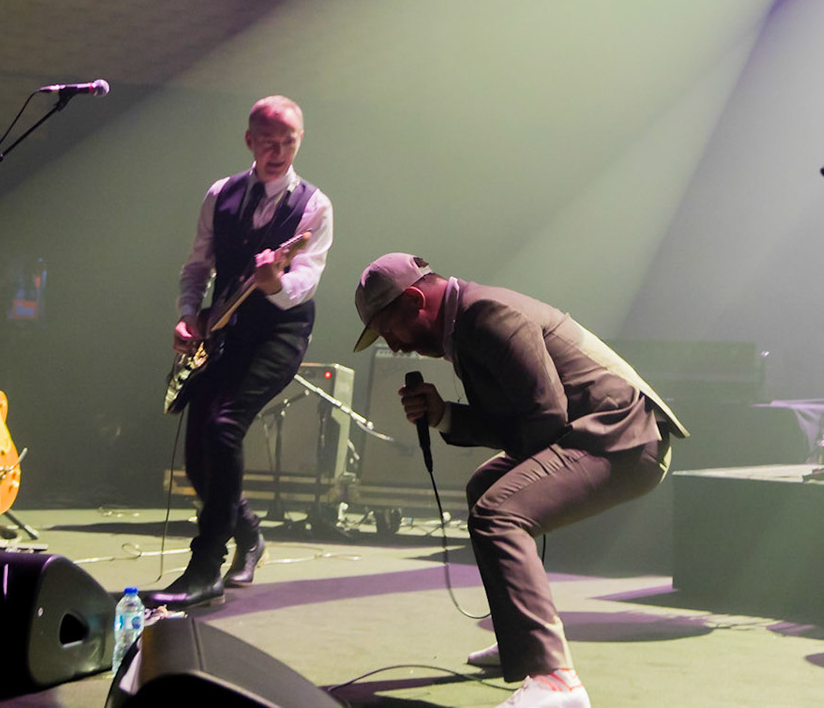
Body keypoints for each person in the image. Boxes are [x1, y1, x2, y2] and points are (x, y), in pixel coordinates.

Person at [352, 253, 687, 708]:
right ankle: (520, 644)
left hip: (623, 440)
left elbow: (544, 419)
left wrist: (507, 467)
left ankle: (556, 681)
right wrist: (445, 415)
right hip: (598, 435)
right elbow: (524, 418)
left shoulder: (486, 315)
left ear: (414, 301)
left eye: (390, 329)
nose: (394, 346)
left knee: (498, 514)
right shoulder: (466, 322)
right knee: (483, 491)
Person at [149, 96, 333, 608]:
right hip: (222, 327)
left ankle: (205, 566)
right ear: (250, 140)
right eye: (268, 141)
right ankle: (249, 535)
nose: (278, 152)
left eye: (288, 142)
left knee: (224, 426)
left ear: (300, 140)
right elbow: (197, 266)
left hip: (279, 332)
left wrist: (274, 282)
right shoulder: (220, 194)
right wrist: (189, 313)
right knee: (198, 457)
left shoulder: (315, 207)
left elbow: (304, 285)